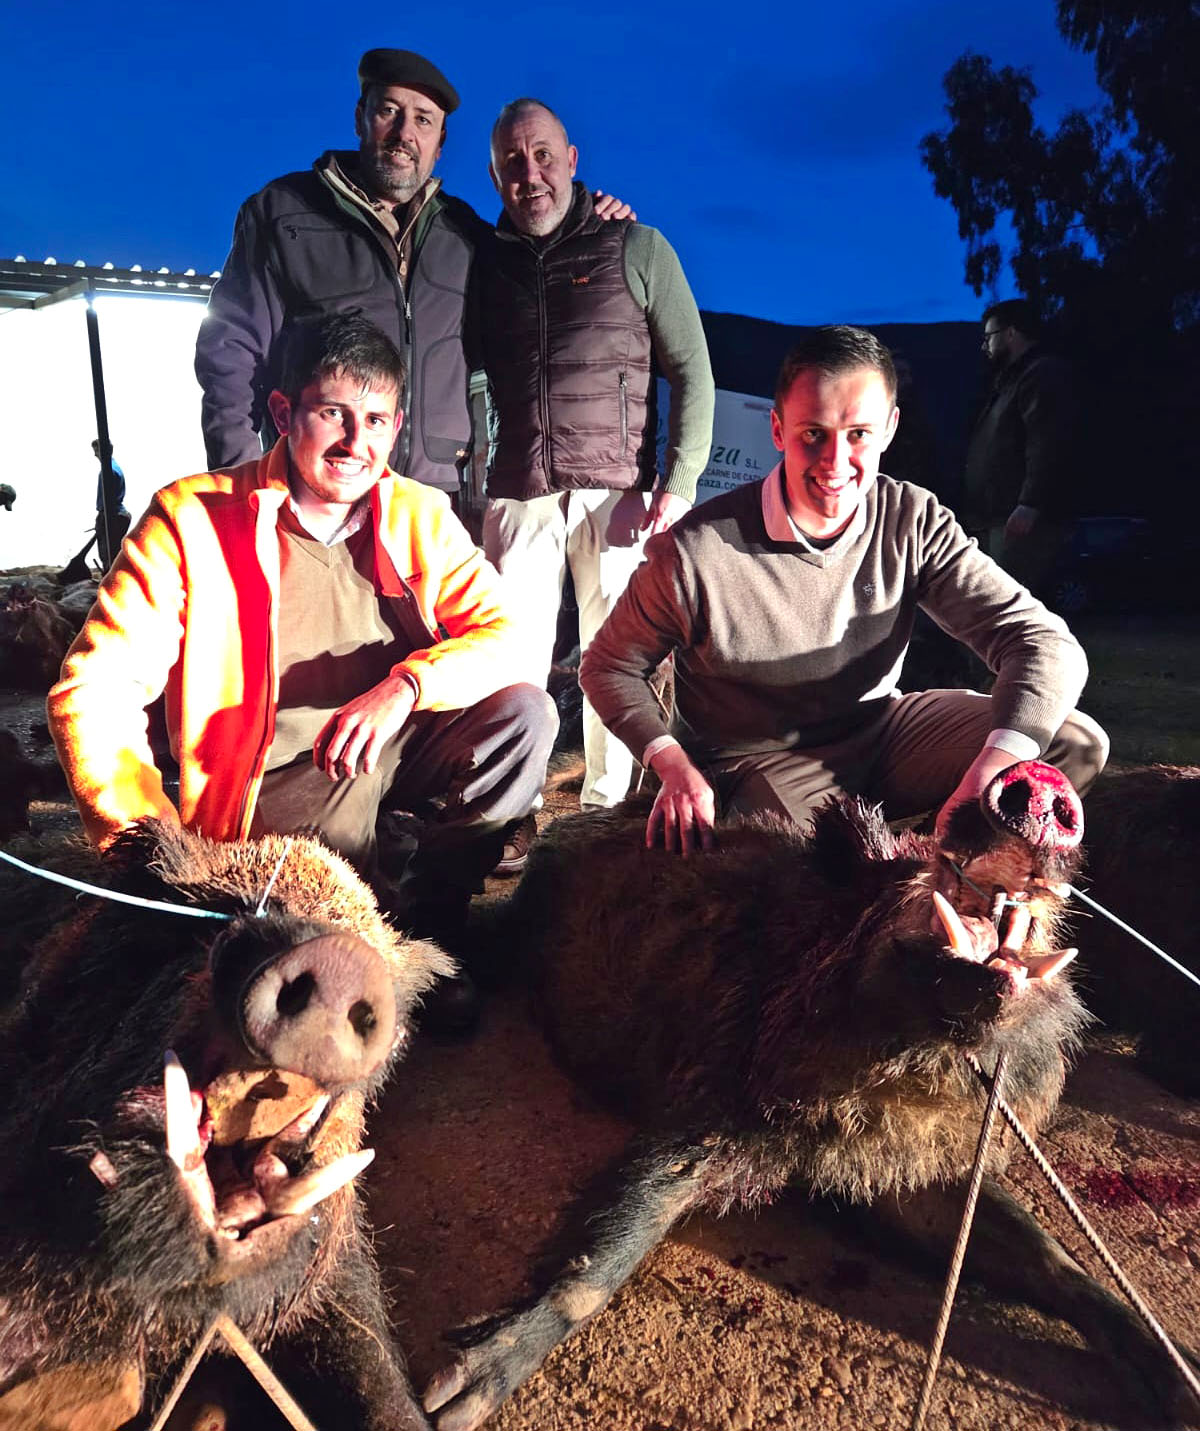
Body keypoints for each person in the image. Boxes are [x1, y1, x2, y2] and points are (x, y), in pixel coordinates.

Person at [50, 312, 557, 1029]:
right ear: (284, 413)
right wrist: (155, 852)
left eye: (378, 419)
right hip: (277, 782)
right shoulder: (192, 519)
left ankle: (433, 932)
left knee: (526, 715)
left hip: (387, 742)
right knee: (305, 944)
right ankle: (365, 938)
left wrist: (405, 686)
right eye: (334, 415)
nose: (359, 444)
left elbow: (507, 635)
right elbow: (92, 689)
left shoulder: (420, 514)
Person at [579, 325, 1108, 853]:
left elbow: (1044, 643)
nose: (835, 463)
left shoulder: (912, 520)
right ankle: (890, 881)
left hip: (883, 730)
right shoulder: (695, 550)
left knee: (1070, 745)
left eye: (858, 434)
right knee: (798, 869)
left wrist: (991, 774)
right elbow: (608, 665)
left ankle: (946, 871)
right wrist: (669, 761)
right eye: (814, 433)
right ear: (778, 430)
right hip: (756, 760)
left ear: (889, 429)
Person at [196, 49, 630, 499]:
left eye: (424, 120)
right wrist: (241, 481)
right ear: (360, 117)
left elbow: (537, 269)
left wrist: (591, 221)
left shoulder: (465, 233)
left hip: (431, 500)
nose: (405, 133)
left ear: (440, 144)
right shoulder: (283, 214)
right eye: (389, 111)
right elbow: (229, 354)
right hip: (316, 490)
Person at [475, 98, 715, 836]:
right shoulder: (480, 263)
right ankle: (509, 812)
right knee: (508, 658)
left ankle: (606, 814)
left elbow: (694, 371)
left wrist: (679, 483)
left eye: (544, 155)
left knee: (617, 657)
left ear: (573, 160)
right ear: (493, 173)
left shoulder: (636, 247)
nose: (531, 173)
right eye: (513, 161)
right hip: (517, 494)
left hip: (619, 494)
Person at [963, 299, 1082, 596]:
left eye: (989, 336)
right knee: (991, 602)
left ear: (1011, 333)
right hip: (998, 513)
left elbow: (1049, 441)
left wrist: (1030, 503)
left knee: (1008, 604)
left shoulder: (1042, 374)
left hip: (1018, 516)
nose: (984, 346)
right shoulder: (1009, 381)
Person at [58, 440, 132, 584]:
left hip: (113, 514)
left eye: (96, 451)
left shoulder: (109, 470)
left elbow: (109, 499)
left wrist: (104, 518)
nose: (95, 455)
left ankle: (113, 583)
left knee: (109, 554)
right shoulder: (114, 468)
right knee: (112, 552)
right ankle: (112, 578)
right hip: (118, 514)